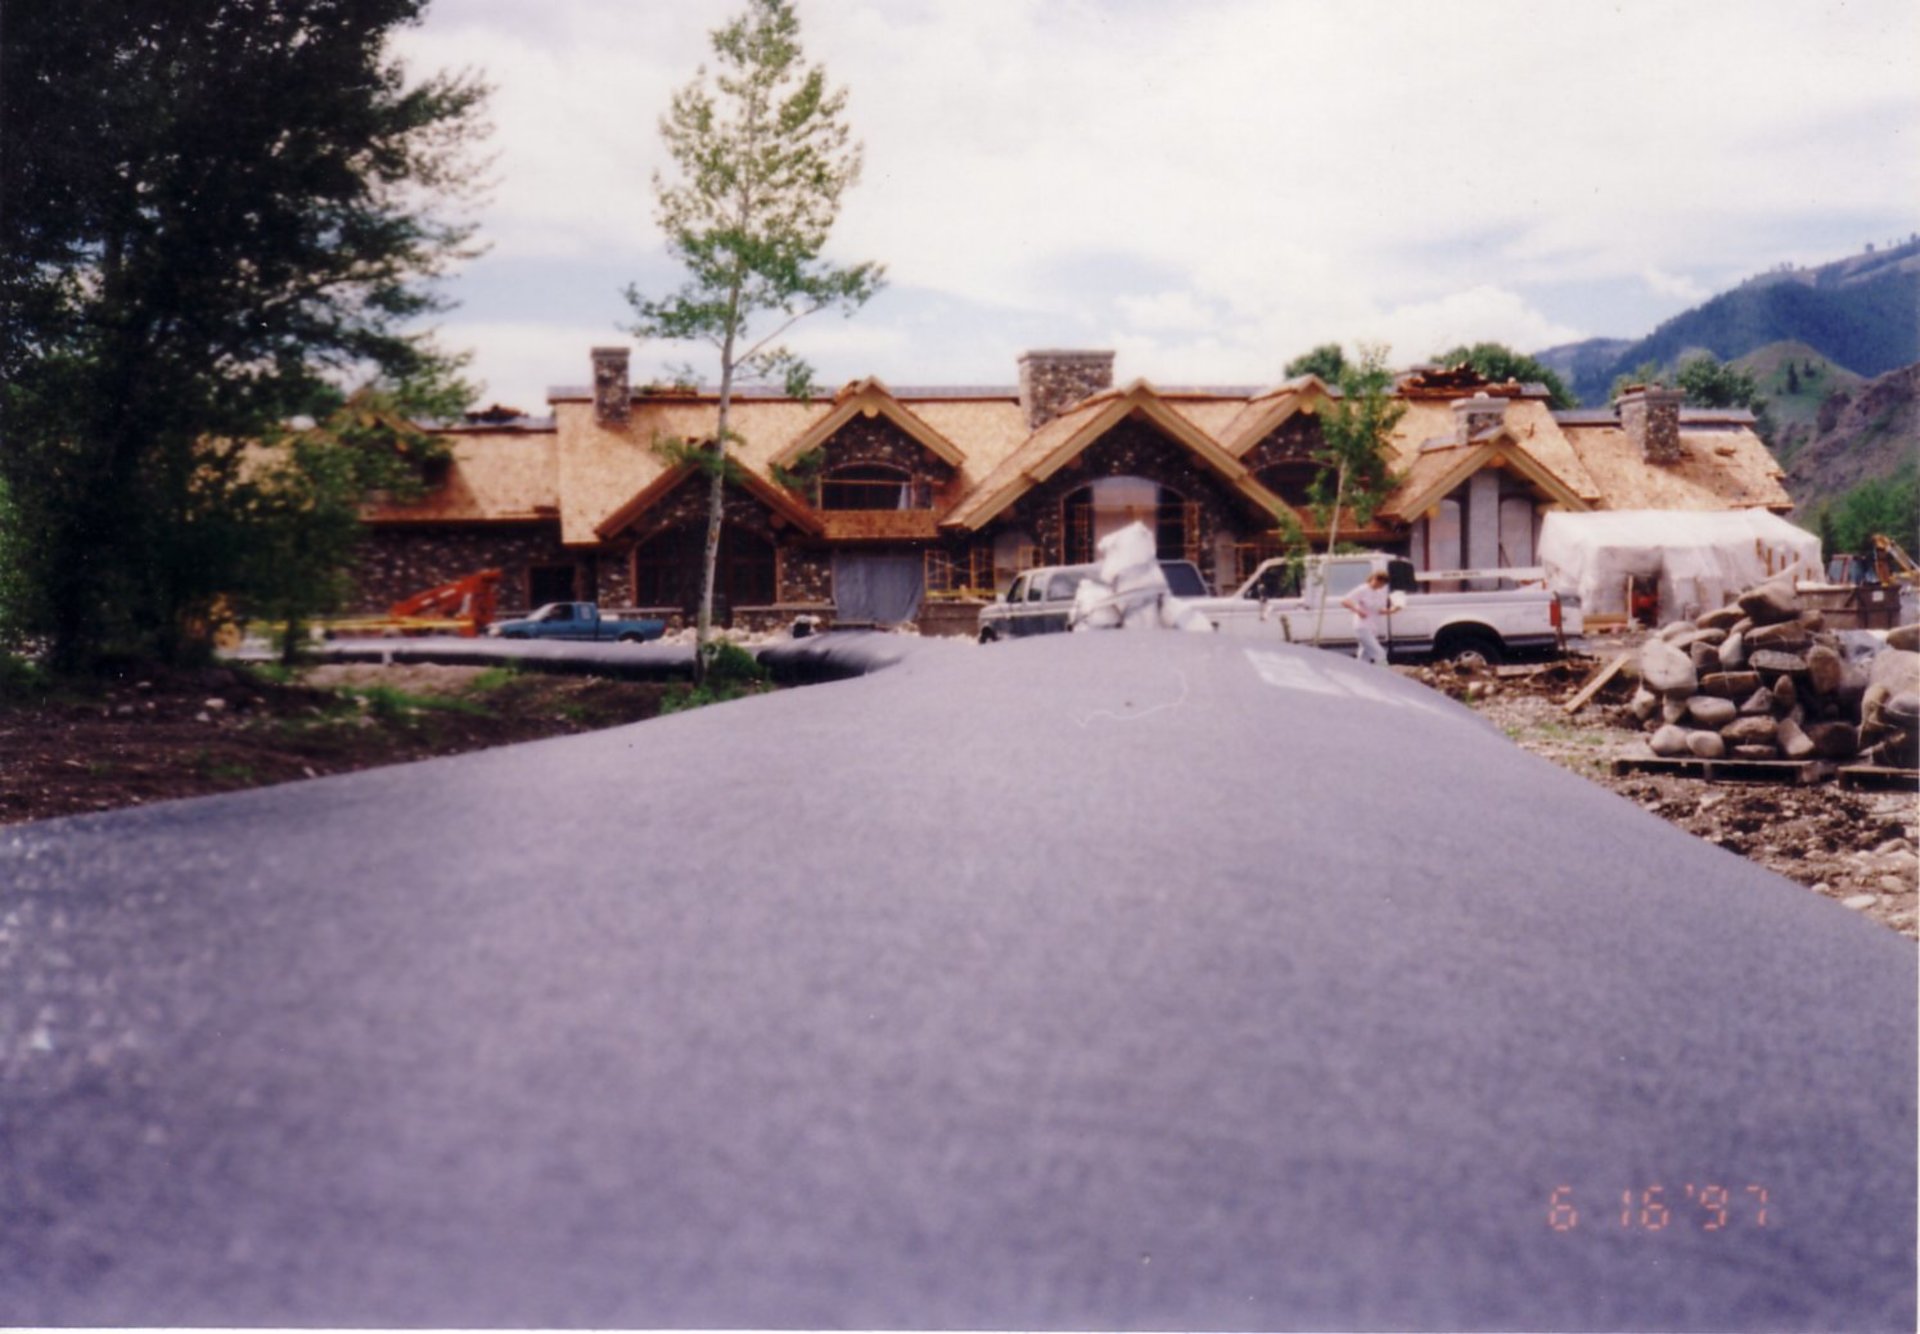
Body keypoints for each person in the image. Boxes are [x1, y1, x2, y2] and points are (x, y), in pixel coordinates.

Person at [1340, 568, 1392, 665]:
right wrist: (1358, 610)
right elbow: (1345, 601)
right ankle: (1385, 674)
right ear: (1376, 579)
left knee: (1364, 657)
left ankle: (1360, 676)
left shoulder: (1377, 592)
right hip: (1362, 627)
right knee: (1380, 654)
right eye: (1382, 584)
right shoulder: (1362, 589)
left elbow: (1378, 610)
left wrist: (1393, 610)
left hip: (1372, 628)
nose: (1382, 586)